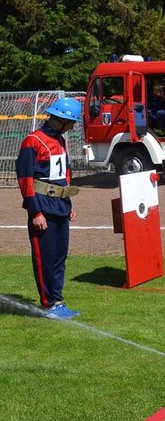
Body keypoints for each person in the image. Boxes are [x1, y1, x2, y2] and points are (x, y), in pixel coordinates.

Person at [16, 97, 83, 320]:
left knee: (59, 256)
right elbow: (25, 179)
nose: (72, 126)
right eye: (71, 122)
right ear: (61, 120)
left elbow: (64, 176)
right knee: (45, 257)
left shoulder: (60, 141)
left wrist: (68, 204)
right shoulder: (32, 141)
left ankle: (58, 301)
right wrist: (35, 212)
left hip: (60, 206)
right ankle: (49, 304)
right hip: (42, 207)